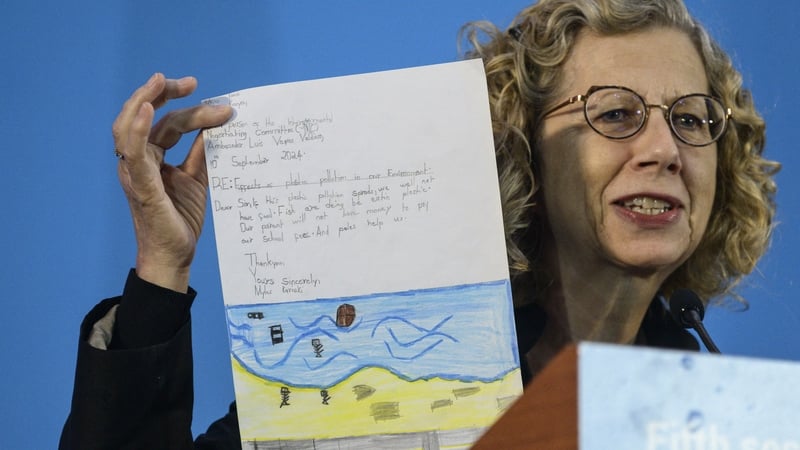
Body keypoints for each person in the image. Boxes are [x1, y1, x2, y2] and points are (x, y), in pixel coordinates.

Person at [60, 0, 780, 448]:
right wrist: (162, 269)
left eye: (692, 120)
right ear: (523, 150)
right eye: (617, 113)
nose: (664, 150)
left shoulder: (718, 413)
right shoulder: (395, 370)